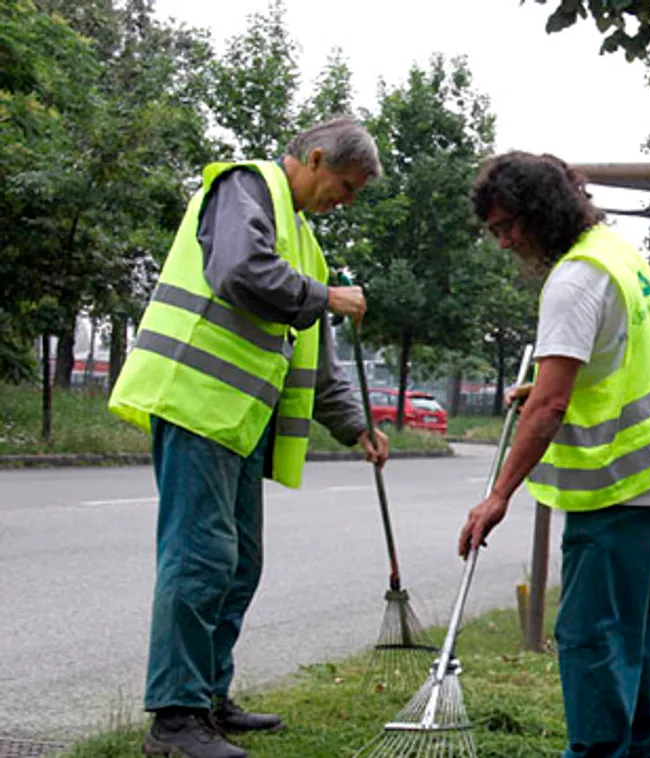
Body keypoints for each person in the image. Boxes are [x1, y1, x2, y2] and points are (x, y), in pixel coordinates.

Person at [108, 117, 390, 758]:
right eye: (343, 187)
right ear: (314, 157)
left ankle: (207, 697)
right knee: (200, 557)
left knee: (238, 563)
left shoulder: (305, 241)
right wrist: (325, 296)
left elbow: (316, 361)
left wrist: (356, 426)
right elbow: (240, 271)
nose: (344, 202)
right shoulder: (245, 188)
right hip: (196, 403)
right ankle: (174, 721)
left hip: (237, 422)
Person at [459, 151, 650, 758]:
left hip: (617, 490)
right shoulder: (613, 251)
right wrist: (538, 386)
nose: (505, 241)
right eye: (495, 231)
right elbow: (596, 365)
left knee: (591, 639)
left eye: (510, 225)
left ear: (542, 212)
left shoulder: (573, 279)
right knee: (635, 638)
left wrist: (498, 495)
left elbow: (551, 408)